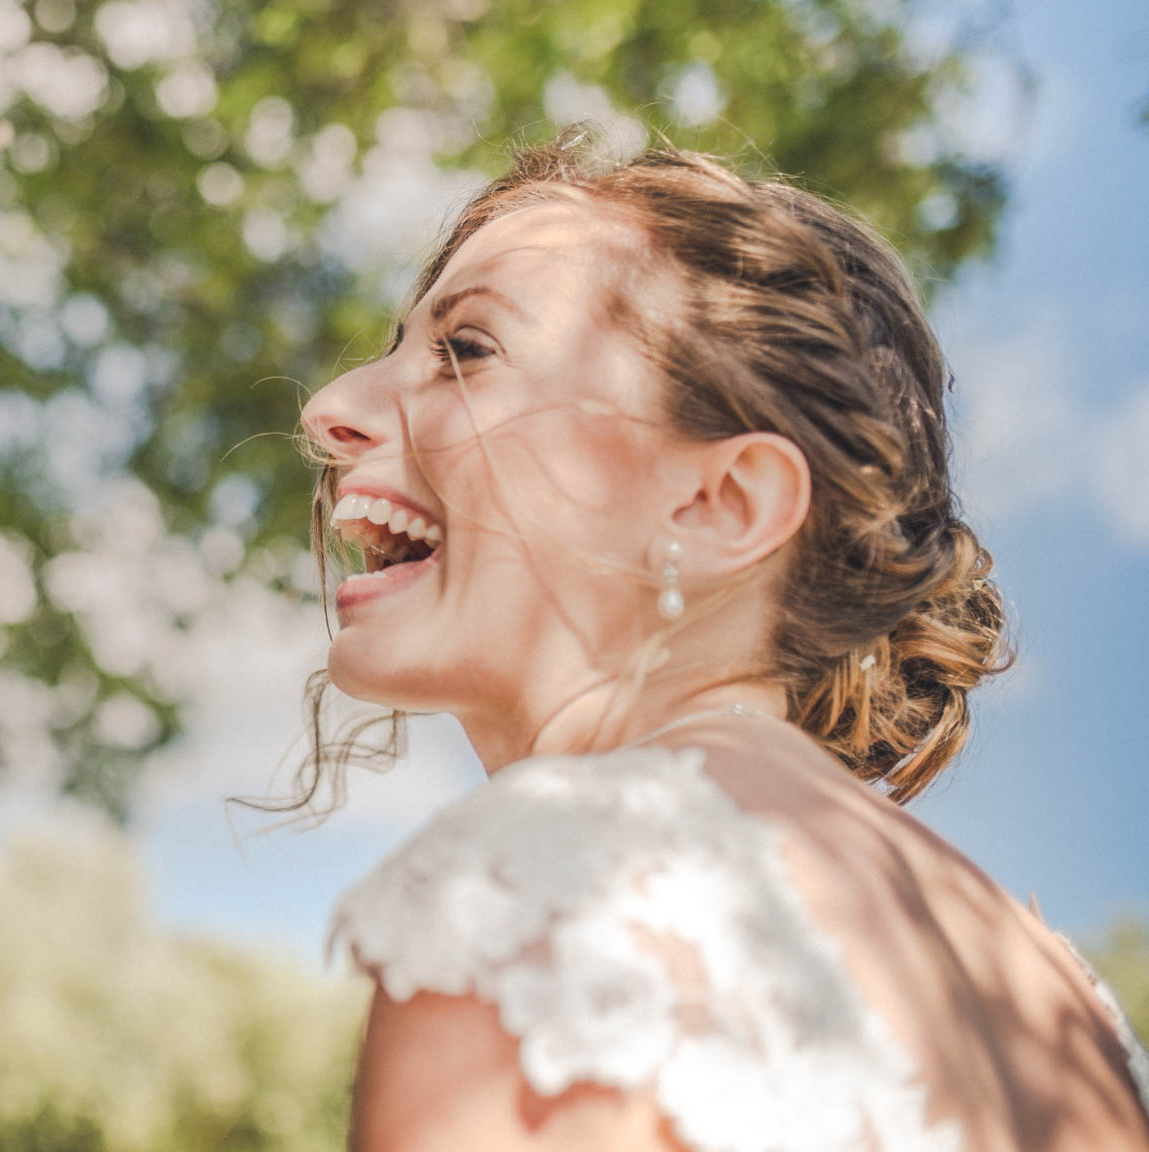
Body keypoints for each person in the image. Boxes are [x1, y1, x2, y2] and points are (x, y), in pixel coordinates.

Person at [298, 141, 1149, 1150]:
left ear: (719, 504)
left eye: (465, 349)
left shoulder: (545, 897)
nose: (328, 410)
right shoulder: (1057, 1002)